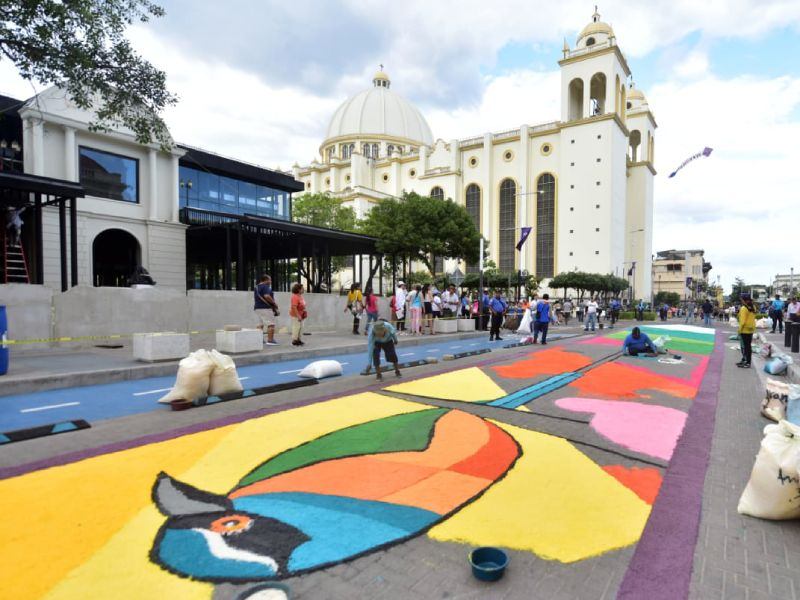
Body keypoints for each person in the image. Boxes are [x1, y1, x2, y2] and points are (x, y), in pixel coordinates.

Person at [254, 274, 279, 346]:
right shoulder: (265, 286)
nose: (270, 281)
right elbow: (267, 296)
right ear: (266, 280)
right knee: (271, 324)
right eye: (270, 280)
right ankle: (270, 340)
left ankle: (259, 340)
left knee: (260, 325)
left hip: (257, 308)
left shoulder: (257, 287)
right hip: (265, 308)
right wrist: (274, 303)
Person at [737, 293, 757, 368]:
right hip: (751, 329)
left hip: (744, 330)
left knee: (745, 347)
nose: (741, 300)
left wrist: (739, 330)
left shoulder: (743, 308)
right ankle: (744, 360)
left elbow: (742, 322)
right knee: (748, 347)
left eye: (741, 299)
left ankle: (747, 362)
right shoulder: (753, 307)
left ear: (744, 300)